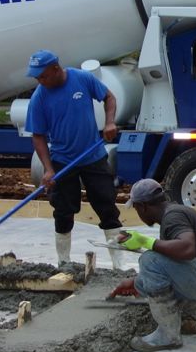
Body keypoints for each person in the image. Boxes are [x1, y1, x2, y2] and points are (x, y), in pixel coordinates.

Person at [110, 178, 196, 352]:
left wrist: (145, 241)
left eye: (136, 208)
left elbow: (187, 249)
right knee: (143, 282)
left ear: (143, 206)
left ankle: (167, 335)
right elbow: (175, 263)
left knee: (149, 260)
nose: (138, 213)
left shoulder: (173, 217)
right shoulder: (173, 214)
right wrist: (134, 282)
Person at [24, 49, 126, 268]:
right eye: (36, 77)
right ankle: (64, 262)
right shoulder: (39, 98)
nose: (39, 80)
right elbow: (38, 136)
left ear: (55, 68)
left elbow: (109, 97)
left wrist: (109, 122)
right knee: (63, 212)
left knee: (107, 207)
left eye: (43, 75)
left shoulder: (82, 78)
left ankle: (118, 264)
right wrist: (48, 169)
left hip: (93, 157)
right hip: (62, 160)